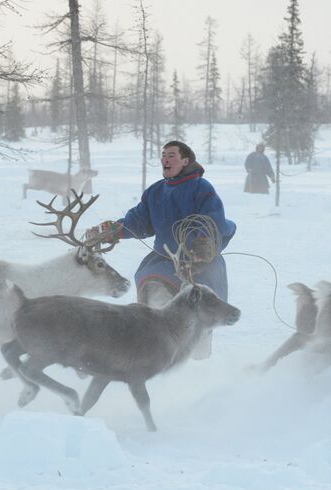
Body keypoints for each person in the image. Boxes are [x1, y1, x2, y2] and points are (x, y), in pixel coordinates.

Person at [87, 140, 236, 359]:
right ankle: (154, 356)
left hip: (198, 260)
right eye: (163, 155)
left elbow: (213, 218)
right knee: (153, 300)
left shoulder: (201, 188)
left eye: (172, 155)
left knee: (202, 308)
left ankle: (200, 361)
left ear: (185, 161)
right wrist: (111, 231)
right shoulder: (155, 191)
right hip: (164, 259)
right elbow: (138, 221)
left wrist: (204, 242)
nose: (165, 159)